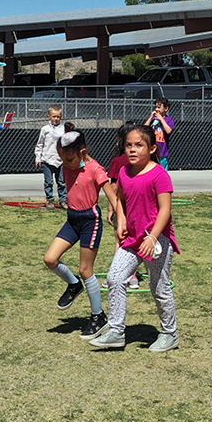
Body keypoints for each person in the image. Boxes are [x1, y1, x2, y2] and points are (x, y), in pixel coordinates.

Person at [90, 125, 180, 352]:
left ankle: (170, 334)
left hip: (156, 241)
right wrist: (121, 220)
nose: (132, 149)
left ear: (151, 149)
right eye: (129, 145)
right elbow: (120, 198)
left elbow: (165, 210)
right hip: (132, 239)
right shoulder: (123, 172)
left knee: (159, 287)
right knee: (115, 278)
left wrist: (153, 238)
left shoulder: (159, 174)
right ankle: (116, 331)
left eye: (139, 145)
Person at [43, 130, 118, 339]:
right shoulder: (67, 166)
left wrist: (121, 221)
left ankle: (98, 316)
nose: (65, 164)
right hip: (72, 219)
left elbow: (113, 197)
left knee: (86, 270)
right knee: (50, 259)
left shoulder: (95, 169)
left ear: (83, 152)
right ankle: (74, 285)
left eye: (68, 159)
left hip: (90, 221)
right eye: (62, 159)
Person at [108, 122, 142, 289]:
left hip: (125, 206)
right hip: (138, 207)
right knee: (135, 239)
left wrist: (111, 208)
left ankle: (123, 275)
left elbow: (113, 188)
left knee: (120, 240)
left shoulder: (118, 161)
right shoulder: (144, 161)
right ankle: (132, 276)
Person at [34, 105, 67, 209]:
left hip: (60, 160)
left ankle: (63, 200)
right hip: (47, 159)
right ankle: (50, 200)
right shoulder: (45, 129)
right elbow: (40, 144)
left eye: (58, 117)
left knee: (61, 181)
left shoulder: (64, 129)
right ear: (49, 116)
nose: (56, 119)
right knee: (49, 182)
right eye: (53, 116)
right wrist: (38, 157)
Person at [144, 97, 175, 170]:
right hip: (152, 151)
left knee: (162, 170)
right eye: (156, 107)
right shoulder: (153, 120)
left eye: (159, 107)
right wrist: (151, 117)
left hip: (162, 152)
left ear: (166, 109)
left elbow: (168, 131)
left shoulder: (169, 119)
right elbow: (144, 129)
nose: (156, 109)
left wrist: (161, 119)